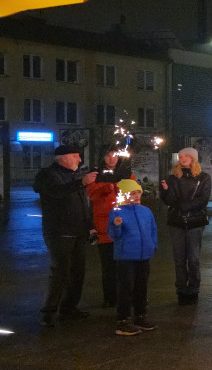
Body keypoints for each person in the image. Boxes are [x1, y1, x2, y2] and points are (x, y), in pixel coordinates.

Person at [35, 145, 98, 327]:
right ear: (63, 158)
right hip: (59, 232)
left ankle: (69, 308)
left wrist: (90, 227)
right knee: (60, 271)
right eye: (76, 156)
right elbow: (56, 192)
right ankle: (48, 312)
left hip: (78, 232)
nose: (79, 159)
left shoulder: (75, 176)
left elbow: (83, 204)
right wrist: (81, 182)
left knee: (78, 272)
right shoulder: (48, 175)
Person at [159, 147, 212, 306]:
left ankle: (194, 288)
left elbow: (203, 199)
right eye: (180, 156)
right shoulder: (173, 177)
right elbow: (169, 200)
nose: (182, 159)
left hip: (195, 221)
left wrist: (184, 206)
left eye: (186, 156)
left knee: (194, 258)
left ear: (193, 158)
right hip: (176, 222)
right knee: (179, 259)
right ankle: (181, 289)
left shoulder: (203, 178)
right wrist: (166, 191)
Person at [86, 144, 136, 307]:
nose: (112, 159)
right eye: (108, 155)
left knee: (126, 264)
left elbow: (135, 196)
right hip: (105, 225)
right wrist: (110, 186)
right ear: (102, 157)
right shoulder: (95, 174)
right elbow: (92, 194)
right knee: (108, 265)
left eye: (115, 155)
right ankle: (110, 297)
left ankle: (127, 295)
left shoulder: (127, 174)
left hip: (124, 225)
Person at [107, 179, 158, 336]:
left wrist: (152, 246)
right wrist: (116, 225)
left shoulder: (146, 211)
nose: (136, 196)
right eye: (132, 193)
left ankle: (140, 315)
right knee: (126, 287)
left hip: (143, 256)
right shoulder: (117, 212)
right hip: (126, 256)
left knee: (141, 286)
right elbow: (114, 235)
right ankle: (123, 319)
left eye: (137, 193)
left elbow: (153, 231)